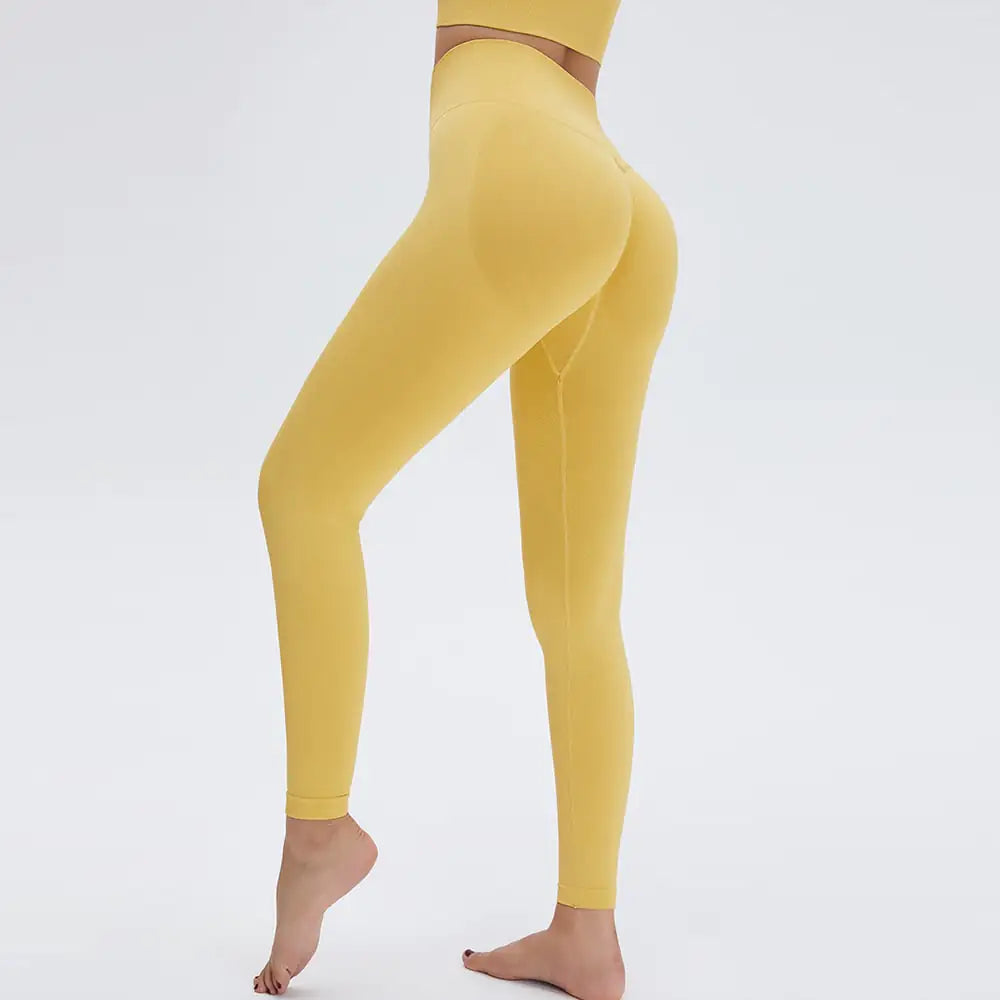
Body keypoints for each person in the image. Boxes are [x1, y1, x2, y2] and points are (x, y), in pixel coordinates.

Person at [252, 2, 679, 997]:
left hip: (527, 166)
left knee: (304, 492)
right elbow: (575, 62)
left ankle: (318, 832)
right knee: (578, 609)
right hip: (612, 187)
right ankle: (587, 931)